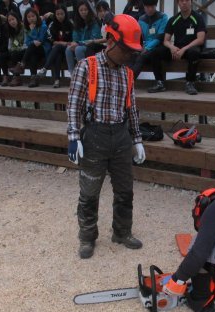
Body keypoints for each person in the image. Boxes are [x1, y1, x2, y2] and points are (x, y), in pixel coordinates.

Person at [67, 13, 146, 259]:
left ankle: (122, 232)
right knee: (89, 191)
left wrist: (137, 139)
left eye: (132, 52)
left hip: (120, 136)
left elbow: (131, 108)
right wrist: (73, 136)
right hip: (95, 135)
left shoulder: (127, 73)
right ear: (111, 41)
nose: (129, 55)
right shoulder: (86, 67)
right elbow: (74, 105)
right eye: (126, 50)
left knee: (125, 190)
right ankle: (87, 237)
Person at [147, 0, 206, 95]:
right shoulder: (173, 19)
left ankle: (190, 83)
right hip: (176, 50)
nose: (184, 3)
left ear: (191, 2)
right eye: (181, 1)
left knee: (194, 53)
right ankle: (160, 82)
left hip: (190, 49)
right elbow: (166, 40)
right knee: (155, 52)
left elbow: (200, 39)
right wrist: (172, 47)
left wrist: (184, 49)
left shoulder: (198, 18)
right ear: (178, 3)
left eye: (187, 0)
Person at [10, 7, 50, 87]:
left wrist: (33, 31)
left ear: (37, 16)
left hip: (43, 49)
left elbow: (40, 41)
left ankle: (21, 65)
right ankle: (33, 78)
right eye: (29, 17)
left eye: (33, 16)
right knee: (32, 55)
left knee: (33, 46)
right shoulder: (27, 27)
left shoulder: (43, 26)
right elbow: (27, 42)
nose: (31, 18)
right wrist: (32, 40)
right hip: (34, 50)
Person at [37, 4, 73, 87]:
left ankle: (45, 68)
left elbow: (72, 41)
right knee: (58, 55)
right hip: (57, 50)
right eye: (58, 14)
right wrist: (60, 43)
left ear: (65, 14)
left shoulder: (70, 24)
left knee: (57, 48)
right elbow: (51, 40)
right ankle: (57, 80)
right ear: (55, 14)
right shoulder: (52, 24)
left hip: (68, 49)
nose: (60, 16)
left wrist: (62, 43)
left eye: (62, 14)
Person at [132, 0, 168, 78]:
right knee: (132, 55)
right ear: (144, 6)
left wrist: (147, 48)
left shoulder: (163, 17)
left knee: (144, 56)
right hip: (145, 47)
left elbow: (160, 37)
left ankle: (130, 81)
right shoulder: (141, 19)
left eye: (152, 6)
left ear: (156, 6)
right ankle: (127, 80)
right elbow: (138, 37)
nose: (150, 9)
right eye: (147, 7)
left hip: (159, 46)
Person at [65, 0, 101, 73]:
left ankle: (83, 72)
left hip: (92, 45)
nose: (83, 12)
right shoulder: (77, 22)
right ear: (78, 11)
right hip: (81, 44)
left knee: (78, 49)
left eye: (85, 10)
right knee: (68, 49)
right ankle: (72, 74)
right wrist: (74, 43)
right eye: (81, 10)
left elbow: (94, 38)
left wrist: (78, 43)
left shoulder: (94, 21)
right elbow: (75, 38)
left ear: (89, 10)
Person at [5, 11, 26, 86]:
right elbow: (10, 46)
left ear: (17, 19)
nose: (12, 22)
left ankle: (16, 77)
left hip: (25, 50)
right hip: (16, 51)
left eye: (13, 19)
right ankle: (13, 77)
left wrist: (16, 48)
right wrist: (13, 49)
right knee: (8, 54)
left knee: (15, 53)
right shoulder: (11, 31)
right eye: (9, 20)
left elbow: (26, 44)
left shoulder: (24, 27)